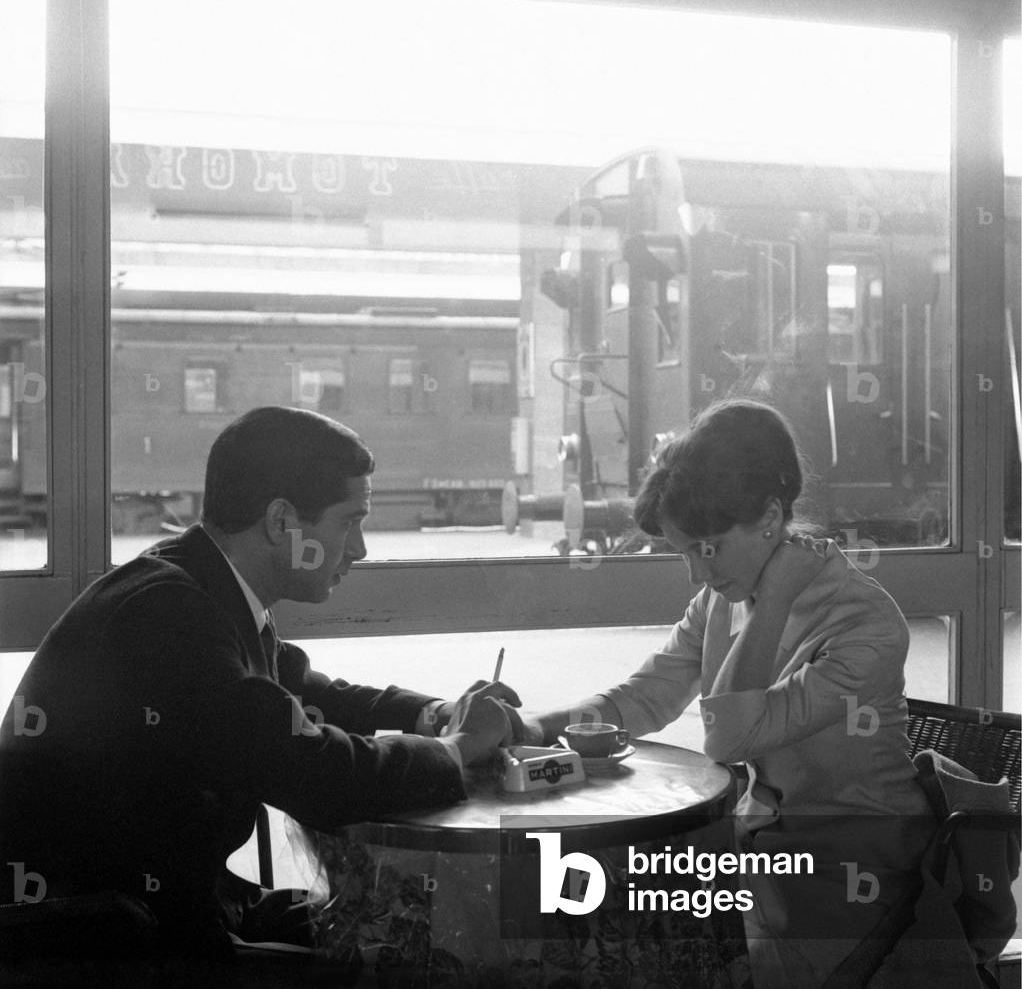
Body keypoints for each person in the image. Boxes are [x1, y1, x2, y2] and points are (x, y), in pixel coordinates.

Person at [0, 406, 518, 962]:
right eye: (349, 522)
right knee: (398, 961)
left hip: (159, 906)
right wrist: (458, 749)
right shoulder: (169, 614)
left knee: (381, 931)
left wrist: (434, 714)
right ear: (280, 522)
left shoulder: (195, 581)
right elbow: (314, 772)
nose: (360, 548)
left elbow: (307, 696)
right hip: (98, 941)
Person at [524, 399, 942, 988]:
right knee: (578, 919)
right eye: (684, 552)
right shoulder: (720, 600)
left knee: (659, 960)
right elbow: (644, 697)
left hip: (852, 875)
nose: (697, 574)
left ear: (770, 516)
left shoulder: (865, 624)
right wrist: (531, 728)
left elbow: (729, 738)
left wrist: (773, 602)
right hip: (754, 856)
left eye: (708, 548)